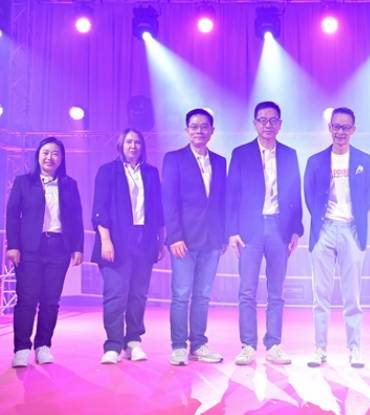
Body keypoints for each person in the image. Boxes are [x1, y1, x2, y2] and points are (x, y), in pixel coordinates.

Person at [226, 101, 303, 366]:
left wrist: (296, 229)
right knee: (247, 290)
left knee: (276, 291)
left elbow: (295, 194)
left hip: (279, 229)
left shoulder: (290, 155)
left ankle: (274, 344)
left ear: (280, 124)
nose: (267, 125)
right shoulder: (241, 154)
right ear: (255, 124)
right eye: (262, 120)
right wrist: (232, 231)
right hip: (250, 230)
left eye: (272, 120)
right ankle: (248, 345)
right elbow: (231, 194)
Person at [303, 107, 370, 368]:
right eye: (336, 126)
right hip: (323, 230)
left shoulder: (365, 160)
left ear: (353, 130)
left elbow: (369, 196)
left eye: (346, 127)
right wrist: (322, 222)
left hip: (351, 230)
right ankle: (319, 349)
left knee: (352, 296)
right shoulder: (315, 161)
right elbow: (309, 195)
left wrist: (354, 222)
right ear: (330, 128)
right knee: (320, 296)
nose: (340, 131)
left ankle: (354, 349)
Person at [6, 137, 84, 367]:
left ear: (62, 158)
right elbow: (12, 215)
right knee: (27, 298)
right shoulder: (23, 182)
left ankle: (43, 346)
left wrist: (78, 247)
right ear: (38, 156)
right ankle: (21, 348)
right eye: (46, 153)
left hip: (59, 248)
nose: (50, 157)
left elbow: (76, 217)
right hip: (30, 248)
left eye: (55, 153)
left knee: (51, 300)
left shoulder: (69, 184)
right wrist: (13, 246)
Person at [92, 128, 165, 364]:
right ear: (121, 145)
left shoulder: (151, 172)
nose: (133, 146)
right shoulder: (107, 171)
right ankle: (113, 344)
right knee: (116, 294)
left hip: (144, 240)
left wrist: (160, 240)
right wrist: (105, 240)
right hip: (115, 240)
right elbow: (99, 208)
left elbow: (158, 210)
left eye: (137, 142)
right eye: (129, 142)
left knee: (138, 293)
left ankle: (133, 341)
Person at [162, 108, 227, 366]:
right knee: (181, 294)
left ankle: (198, 344)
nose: (199, 131)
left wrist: (223, 235)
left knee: (203, 294)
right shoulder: (174, 159)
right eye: (194, 126)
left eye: (204, 127)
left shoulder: (220, 161)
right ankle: (178, 345)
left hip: (212, 240)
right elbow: (169, 201)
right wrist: (174, 236)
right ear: (187, 130)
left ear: (212, 131)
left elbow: (222, 202)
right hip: (184, 240)